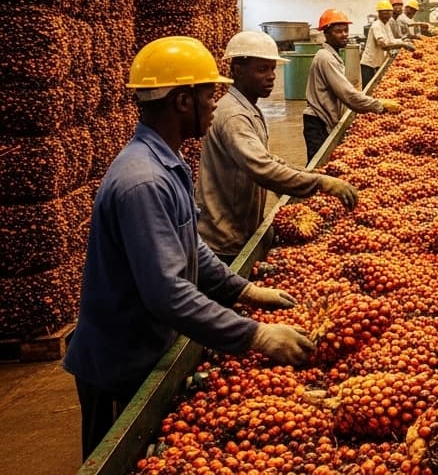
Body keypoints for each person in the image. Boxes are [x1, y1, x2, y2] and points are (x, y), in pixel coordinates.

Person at [64, 36, 315, 458]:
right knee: (114, 456)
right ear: (183, 101)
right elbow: (168, 294)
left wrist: (243, 290)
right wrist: (256, 334)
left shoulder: (168, 161)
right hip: (118, 360)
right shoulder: (142, 181)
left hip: (147, 344)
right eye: (209, 94)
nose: (217, 104)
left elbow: (191, 246)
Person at [196, 31, 359, 264]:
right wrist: (319, 183)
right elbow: (262, 169)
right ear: (238, 71)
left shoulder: (249, 109)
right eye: (262, 70)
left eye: (273, 69)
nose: (271, 76)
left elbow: (269, 160)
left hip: (240, 226)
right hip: (224, 238)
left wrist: (308, 176)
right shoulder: (234, 117)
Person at [305, 9, 402, 161]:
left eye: (346, 30)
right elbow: (348, 95)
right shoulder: (325, 58)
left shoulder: (333, 56)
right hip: (317, 121)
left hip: (325, 118)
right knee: (318, 170)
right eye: (338, 31)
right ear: (326, 33)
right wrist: (378, 105)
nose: (344, 34)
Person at [360, 0, 413, 87]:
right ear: (379, 13)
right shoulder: (376, 26)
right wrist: (403, 45)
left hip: (379, 62)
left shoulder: (386, 24)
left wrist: (404, 41)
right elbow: (383, 45)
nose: (387, 16)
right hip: (370, 64)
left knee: (377, 87)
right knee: (368, 88)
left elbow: (390, 40)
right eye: (384, 13)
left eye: (389, 13)